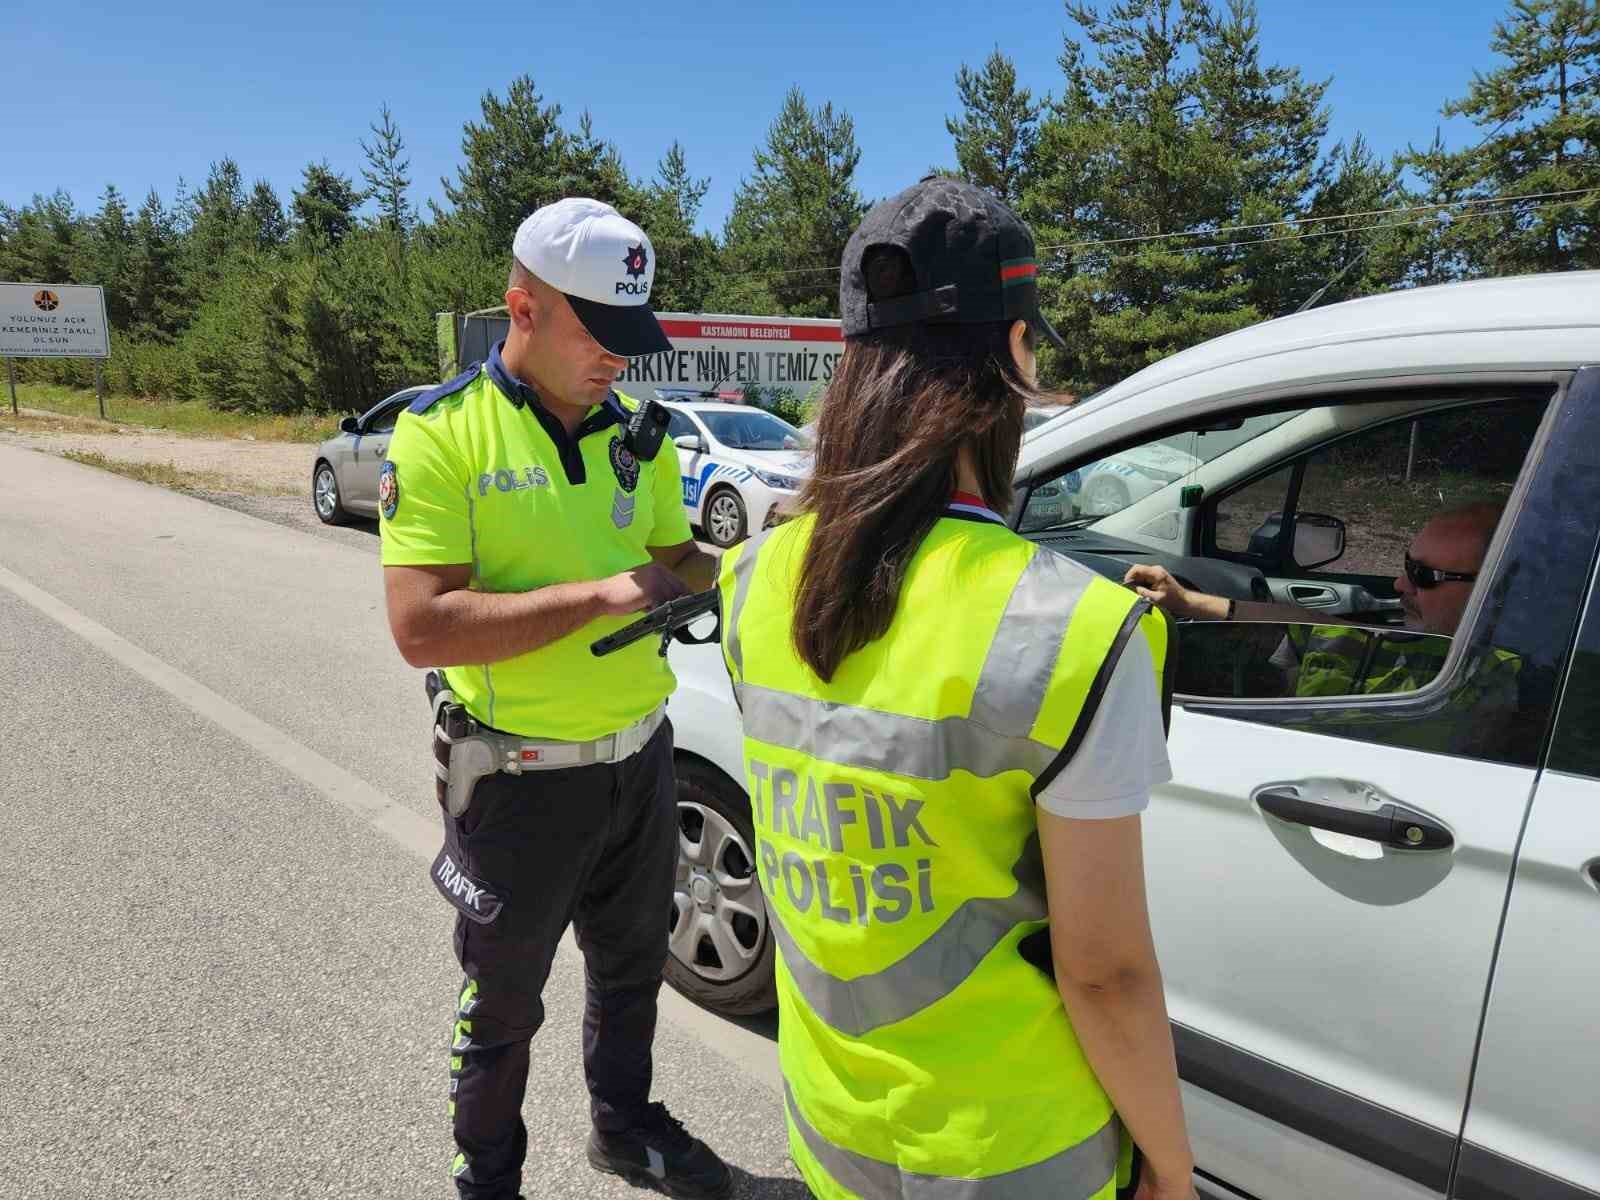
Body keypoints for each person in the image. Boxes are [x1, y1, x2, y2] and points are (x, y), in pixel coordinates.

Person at [716, 177, 1197, 1200]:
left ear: (852, 363)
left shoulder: (757, 576)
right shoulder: (1080, 628)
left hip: (832, 1124)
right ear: (1016, 356)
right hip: (1014, 1151)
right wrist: (1171, 1163)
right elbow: (1104, 973)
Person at [379, 197, 731, 1200]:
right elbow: (420, 627)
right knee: (501, 1006)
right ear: (521, 308)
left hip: (640, 758)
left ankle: (624, 1130)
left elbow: (674, 561)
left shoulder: (641, 437)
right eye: (600, 333)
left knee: (631, 975)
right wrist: (606, 595)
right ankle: (488, 1177)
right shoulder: (441, 433)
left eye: (633, 334)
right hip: (518, 779)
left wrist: (763, 552)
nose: (621, 358)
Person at [1125, 503, 1511, 697]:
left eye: (1424, 576)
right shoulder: (1421, 644)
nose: (1400, 584)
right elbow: (1303, 622)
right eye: (1408, 565)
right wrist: (1189, 602)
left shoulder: (1502, 683)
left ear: (1492, 589)